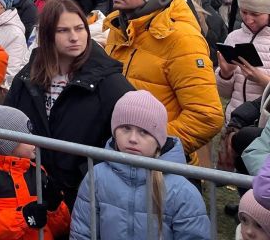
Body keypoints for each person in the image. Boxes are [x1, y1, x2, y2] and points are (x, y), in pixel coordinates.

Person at [5, 0, 132, 206]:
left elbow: (126, 138)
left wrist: (86, 172)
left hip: (86, 196)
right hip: (35, 191)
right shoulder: (28, 76)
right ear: (47, 35)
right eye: (63, 30)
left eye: (80, 28)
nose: (74, 37)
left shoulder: (109, 81)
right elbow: (8, 120)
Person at [103, 0, 223, 162]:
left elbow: (206, 116)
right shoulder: (119, 28)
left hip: (161, 168)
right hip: (121, 158)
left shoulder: (181, 38)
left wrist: (152, 145)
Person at [70, 90, 210, 239]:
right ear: (114, 132)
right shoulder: (97, 177)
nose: (132, 138)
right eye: (126, 128)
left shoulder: (181, 190)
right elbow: (82, 232)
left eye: (144, 132)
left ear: (159, 141)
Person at [0, 103, 70, 240]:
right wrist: (23, 218)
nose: (34, 140)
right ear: (7, 143)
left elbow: (61, 228)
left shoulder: (37, 171)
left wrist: (55, 208)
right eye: (26, 136)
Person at [217, 0, 270, 121]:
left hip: (264, 127)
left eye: (255, 14)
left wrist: (263, 81)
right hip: (235, 120)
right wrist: (225, 75)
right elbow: (225, 94)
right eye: (244, 12)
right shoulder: (234, 37)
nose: (248, 19)